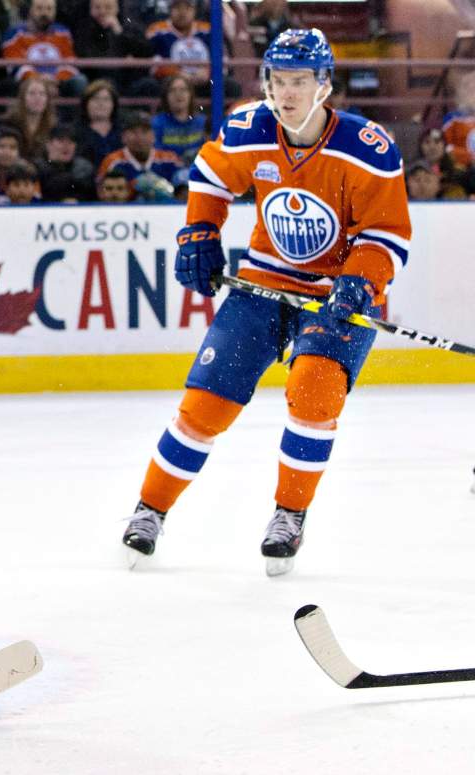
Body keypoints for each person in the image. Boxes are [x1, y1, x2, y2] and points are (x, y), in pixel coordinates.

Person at [121, 29, 412, 576]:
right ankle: (149, 510)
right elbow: (209, 175)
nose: (287, 92)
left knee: (313, 396)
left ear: (325, 85)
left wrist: (359, 281)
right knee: (206, 405)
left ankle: (288, 515)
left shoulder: (367, 148)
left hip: (337, 295)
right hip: (264, 283)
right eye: (279, 80)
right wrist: (200, 233)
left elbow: (388, 233)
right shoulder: (249, 128)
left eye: (300, 81)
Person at [97, 110, 182, 186]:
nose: (139, 137)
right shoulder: (112, 162)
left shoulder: (170, 159)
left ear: (154, 135)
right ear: (123, 137)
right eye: (133, 132)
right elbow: (101, 192)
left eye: (144, 131)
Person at [152, 73, 206, 165]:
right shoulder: (156, 123)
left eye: (183, 90)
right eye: (172, 90)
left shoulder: (203, 122)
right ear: (165, 96)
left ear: (190, 95)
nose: (178, 94)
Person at [1, 77, 55, 162]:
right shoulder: (8, 124)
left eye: (42, 94)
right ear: (22, 98)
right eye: (32, 93)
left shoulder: (53, 126)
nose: (38, 98)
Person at [37, 123, 95, 202]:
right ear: (48, 144)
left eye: (71, 142)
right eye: (61, 141)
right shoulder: (37, 168)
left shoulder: (84, 169)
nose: (66, 146)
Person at [74, 78, 122, 167]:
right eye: (95, 99)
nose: (101, 103)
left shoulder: (123, 130)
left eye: (106, 99)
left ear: (113, 104)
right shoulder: (74, 132)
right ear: (86, 103)